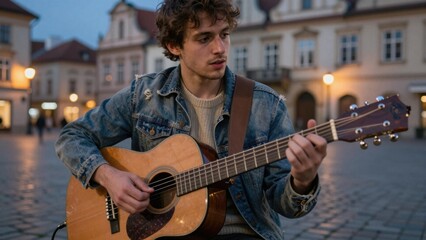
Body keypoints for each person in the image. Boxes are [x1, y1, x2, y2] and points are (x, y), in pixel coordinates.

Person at [55, 0, 327, 239]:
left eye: (224, 34)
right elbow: (71, 137)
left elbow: (287, 205)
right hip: (157, 231)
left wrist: (302, 180)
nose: (220, 48)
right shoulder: (145, 96)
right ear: (175, 46)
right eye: (204, 38)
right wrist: (108, 176)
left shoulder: (265, 104)